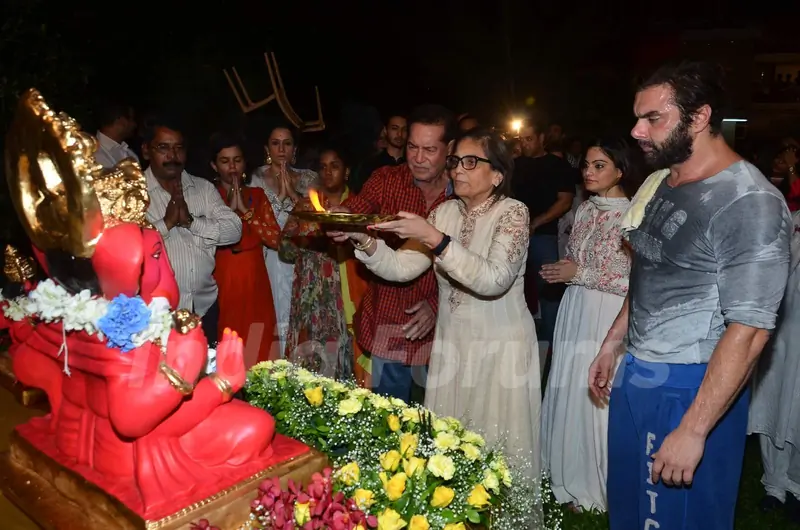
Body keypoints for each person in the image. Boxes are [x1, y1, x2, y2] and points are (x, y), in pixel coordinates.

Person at [589, 61, 792, 530]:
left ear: (699, 117)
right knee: (630, 513)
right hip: (639, 371)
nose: (637, 131)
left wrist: (695, 428)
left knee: (675, 520)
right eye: (638, 117)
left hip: (691, 384)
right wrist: (612, 343)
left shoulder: (749, 202)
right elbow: (650, 268)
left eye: (653, 119)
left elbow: (751, 328)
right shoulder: (663, 179)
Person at [331, 128, 541, 477]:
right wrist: (362, 240)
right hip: (452, 344)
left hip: (499, 344)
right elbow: (401, 268)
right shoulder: (446, 213)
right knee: (451, 447)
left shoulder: (512, 212)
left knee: (497, 446)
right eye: (456, 161)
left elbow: (493, 280)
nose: (458, 169)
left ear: (498, 174)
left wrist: (435, 238)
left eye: (471, 162)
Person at [540, 138, 643, 512]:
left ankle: (599, 485)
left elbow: (635, 281)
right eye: (586, 164)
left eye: (600, 165)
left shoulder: (633, 215)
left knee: (599, 396)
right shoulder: (583, 210)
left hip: (609, 314)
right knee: (569, 387)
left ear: (621, 170)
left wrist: (579, 272)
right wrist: (563, 273)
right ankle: (566, 472)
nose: (588, 172)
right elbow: (575, 261)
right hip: (576, 307)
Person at [337, 104, 455, 403]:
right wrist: (339, 219)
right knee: (389, 414)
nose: (417, 158)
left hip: (449, 321)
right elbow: (358, 211)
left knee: (444, 419)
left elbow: (478, 264)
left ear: (449, 148)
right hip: (390, 312)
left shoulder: (463, 192)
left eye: (429, 149)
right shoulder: (386, 179)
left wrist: (436, 304)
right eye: (412, 147)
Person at [143, 116, 242, 343]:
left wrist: (191, 222)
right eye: (163, 148)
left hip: (204, 308)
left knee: (205, 376)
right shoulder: (134, 192)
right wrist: (165, 224)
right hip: (153, 312)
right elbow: (125, 247)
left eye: (178, 148)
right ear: (146, 151)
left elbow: (235, 230)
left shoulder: (203, 189)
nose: (172, 156)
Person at [281, 147, 370, 383]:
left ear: (347, 171)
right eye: (323, 166)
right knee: (308, 364)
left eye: (335, 166)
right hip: (310, 298)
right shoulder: (305, 207)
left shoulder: (358, 206)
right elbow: (284, 250)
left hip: (344, 296)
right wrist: (306, 233)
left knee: (342, 362)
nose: (328, 172)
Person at [211, 132, 281, 366]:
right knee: (227, 340)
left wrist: (246, 212)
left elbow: (275, 239)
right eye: (224, 161)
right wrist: (230, 212)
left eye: (237, 160)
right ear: (214, 165)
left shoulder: (258, 196)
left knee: (259, 342)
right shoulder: (207, 196)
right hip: (223, 277)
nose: (232, 167)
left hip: (255, 279)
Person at [249, 123, 319, 355]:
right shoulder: (255, 178)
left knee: (301, 312)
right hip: (268, 256)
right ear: (267, 148)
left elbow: (315, 221)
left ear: (294, 149)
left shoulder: (309, 178)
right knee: (272, 313)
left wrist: (294, 197)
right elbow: (255, 220)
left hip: (301, 257)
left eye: (287, 144)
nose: (281, 149)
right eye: (275, 143)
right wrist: (281, 198)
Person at [748, 208, 800, 519]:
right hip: (781, 328)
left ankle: (795, 485)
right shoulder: (789, 219)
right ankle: (774, 485)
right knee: (774, 400)